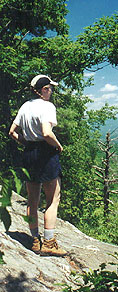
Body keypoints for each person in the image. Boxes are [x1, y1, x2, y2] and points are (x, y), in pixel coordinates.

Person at [9, 74, 67, 256]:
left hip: (29, 155)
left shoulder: (26, 106)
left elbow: (12, 132)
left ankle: (35, 240)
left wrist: (27, 144)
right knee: (53, 198)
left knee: (32, 200)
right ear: (43, 90)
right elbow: (46, 133)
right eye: (50, 88)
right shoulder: (48, 106)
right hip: (46, 154)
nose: (51, 91)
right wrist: (58, 145)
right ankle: (49, 242)